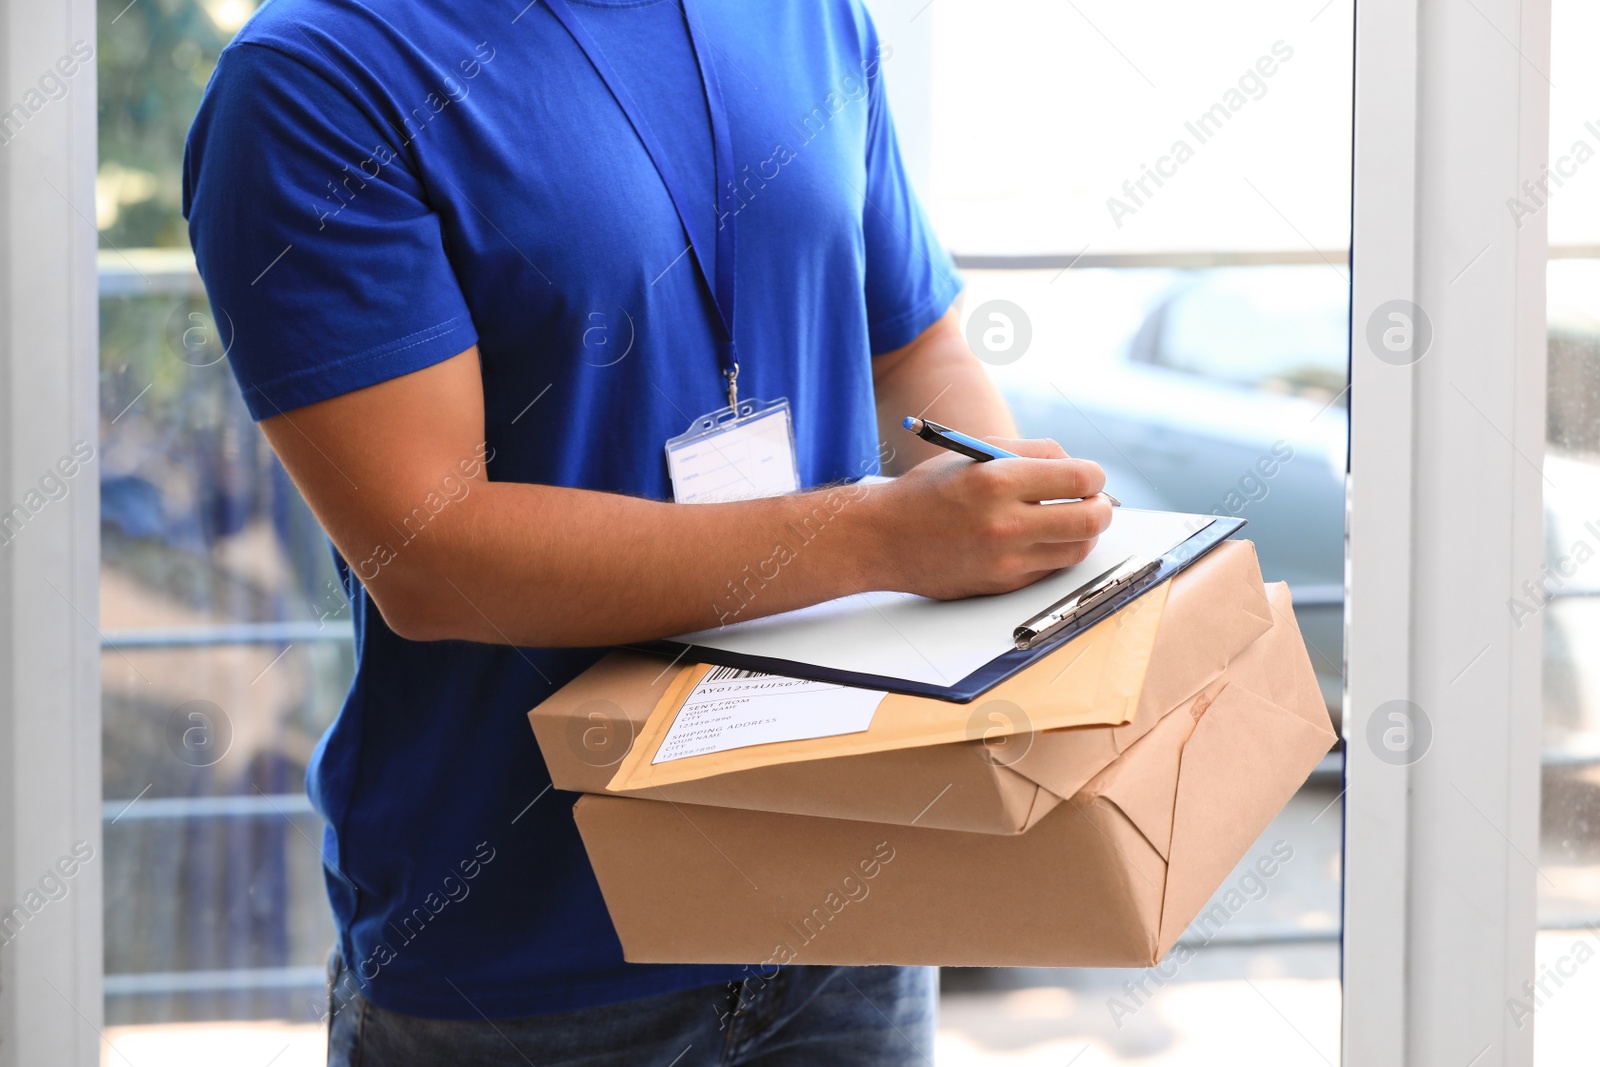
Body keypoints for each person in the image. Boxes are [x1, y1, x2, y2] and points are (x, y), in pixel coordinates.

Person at [183, 0, 1110, 1062]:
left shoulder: (810, 14)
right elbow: (429, 557)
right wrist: (890, 537)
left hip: (848, 885)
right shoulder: (317, 73)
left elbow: (915, 351)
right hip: (528, 955)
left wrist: (993, 529)